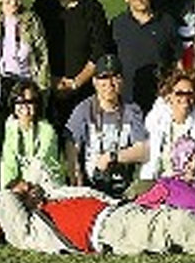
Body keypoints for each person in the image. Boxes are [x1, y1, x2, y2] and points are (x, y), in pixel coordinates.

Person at [0, 175, 195, 258]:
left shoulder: (57, 197)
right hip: (108, 230)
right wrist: (8, 194)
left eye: (30, 186)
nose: (31, 189)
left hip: (121, 212)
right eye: (23, 192)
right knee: (174, 223)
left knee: (182, 219)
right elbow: (4, 201)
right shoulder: (33, 228)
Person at [0, 0, 50, 194]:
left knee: (26, 139)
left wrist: (41, 90)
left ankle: (30, 191)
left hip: (24, 88)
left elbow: (42, 56)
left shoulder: (31, 20)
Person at [31, 0, 110, 129]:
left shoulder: (94, 10)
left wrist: (75, 83)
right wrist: (51, 81)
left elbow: (99, 51)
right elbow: (32, 50)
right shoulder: (42, 7)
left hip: (84, 96)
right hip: (46, 94)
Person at [64, 54, 149, 197]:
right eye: (104, 78)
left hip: (125, 188)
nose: (110, 84)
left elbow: (144, 151)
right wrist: (78, 184)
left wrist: (111, 157)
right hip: (93, 188)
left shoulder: (132, 110)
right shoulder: (83, 110)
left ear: (122, 80)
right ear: (95, 82)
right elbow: (71, 148)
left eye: (115, 77)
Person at [111, 0, 182, 113]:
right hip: (127, 108)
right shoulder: (117, 25)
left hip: (161, 107)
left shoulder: (167, 22)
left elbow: (178, 63)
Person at [139, 67, 195, 183]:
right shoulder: (157, 118)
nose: (185, 98)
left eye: (189, 93)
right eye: (179, 93)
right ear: (169, 96)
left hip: (188, 183)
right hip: (156, 181)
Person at [0, 80, 66, 195]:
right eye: (19, 102)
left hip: (47, 186)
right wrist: (8, 188)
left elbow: (42, 164)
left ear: (37, 104)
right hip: (21, 187)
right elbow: (8, 164)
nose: (24, 107)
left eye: (30, 102)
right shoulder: (10, 127)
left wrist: (25, 187)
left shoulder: (47, 130)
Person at [135, 136, 195, 218]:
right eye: (189, 159)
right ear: (179, 159)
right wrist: (164, 211)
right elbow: (141, 205)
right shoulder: (167, 186)